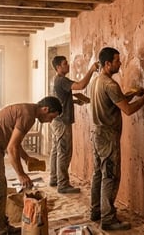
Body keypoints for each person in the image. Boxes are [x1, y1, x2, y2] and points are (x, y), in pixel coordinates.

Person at [89, 47, 144, 231]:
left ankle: (96, 211)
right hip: (108, 137)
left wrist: (133, 93)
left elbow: (113, 101)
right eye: (117, 61)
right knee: (110, 176)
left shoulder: (96, 81)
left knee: (98, 174)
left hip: (96, 134)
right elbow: (127, 110)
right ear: (107, 64)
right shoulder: (110, 85)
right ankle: (108, 219)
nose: (120, 64)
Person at [0, 96, 62, 235]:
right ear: (45, 109)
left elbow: (13, 140)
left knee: (0, 188)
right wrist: (21, 175)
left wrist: (26, 158)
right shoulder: (28, 116)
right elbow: (11, 148)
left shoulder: (29, 110)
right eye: (52, 117)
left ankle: (2, 226)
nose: (50, 121)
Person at [49, 55, 99, 193]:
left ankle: (54, 178)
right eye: (65, 64)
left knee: (56, 150)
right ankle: (63, 184)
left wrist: (75, 101)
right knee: (64, 153)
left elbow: (60, 99)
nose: (68, 65)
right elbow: (81, 85)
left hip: (56, 120)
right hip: (63, 121)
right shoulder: (62, 80)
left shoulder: (54, 80)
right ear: (58, 67)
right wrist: (91, 70)